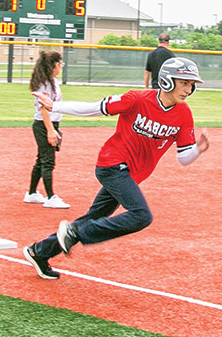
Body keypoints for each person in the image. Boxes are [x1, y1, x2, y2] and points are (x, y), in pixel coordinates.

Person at [23, 56, 210, 280]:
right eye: (184, 83)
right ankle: (75, 233)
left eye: (191, 85)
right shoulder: (137, 99)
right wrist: (55, 106)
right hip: (112, 164)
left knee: (92, 218)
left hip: (130, 174)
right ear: (167, 81)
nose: (188, 89)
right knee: (141, 216)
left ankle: (40, 251)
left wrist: (198, 149)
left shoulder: (183, 114)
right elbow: (96, 108)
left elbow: (183, 158)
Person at [24, 50, 69, 209]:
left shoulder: (52, 81)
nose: (61, 66)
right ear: (54, 65)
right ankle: (50, 197)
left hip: (50, 123)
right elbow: (44, 108)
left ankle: (31, 193)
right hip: (44, 124)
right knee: (48, 162)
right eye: (60, 64)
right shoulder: (45, 84)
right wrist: (50, 130)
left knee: (41, 159)